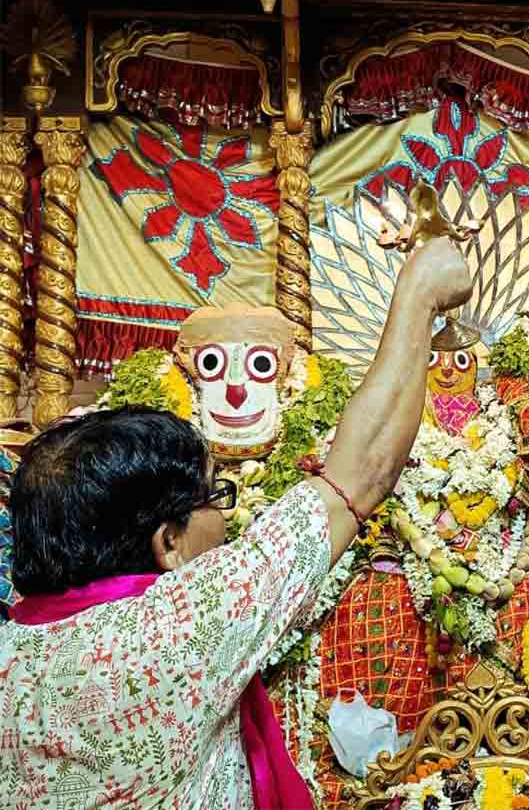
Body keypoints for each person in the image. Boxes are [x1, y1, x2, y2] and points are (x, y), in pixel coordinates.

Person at [0, 234, 472, 809]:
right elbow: (363, 473)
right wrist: (419, 291)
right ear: (168, 541)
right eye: (212, 495)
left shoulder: (11, 654)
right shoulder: (179, 627)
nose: (224, 513)